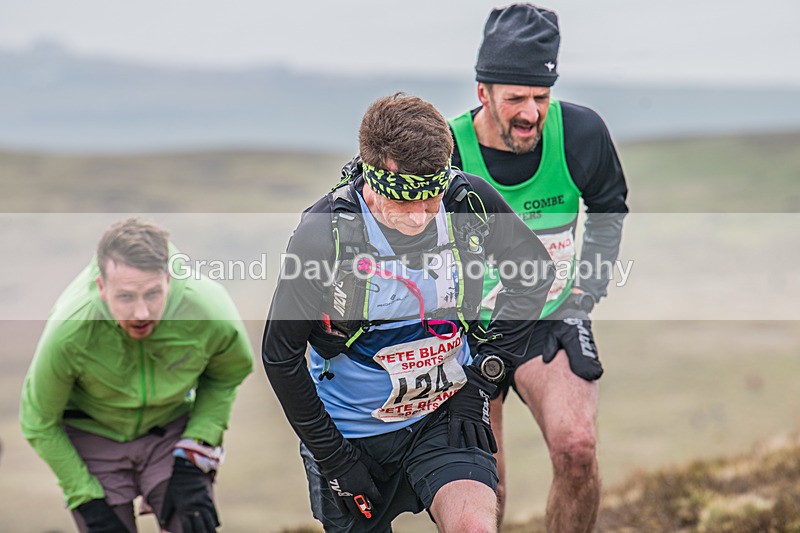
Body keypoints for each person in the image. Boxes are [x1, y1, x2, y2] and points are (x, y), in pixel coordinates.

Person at [262, 93, 555, 532]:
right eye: (404, 201)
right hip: (352, 436)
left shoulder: (466, 202)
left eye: (430, 198)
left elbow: (534, 273)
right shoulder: (323, 234)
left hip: (445, 415)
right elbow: (280, 356)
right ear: (372, 180)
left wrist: (483, 380)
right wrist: (335, 459)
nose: (419, 217)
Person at [449, 4, 629, 531]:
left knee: (577, 450)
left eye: (541, 97)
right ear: (483, 92)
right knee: (487, 484)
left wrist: (584, 295)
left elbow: (609, 206)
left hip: (549, 318)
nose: (531, 113)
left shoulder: (579, 134)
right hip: (469, 330)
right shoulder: (448, 149)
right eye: (516, 99)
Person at [20, 217, 254, 533]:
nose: (141, 313)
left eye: (153, 294)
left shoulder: (208, 309)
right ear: (102, 287)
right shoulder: (69, 329)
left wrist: (194, 452)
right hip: (92, 436)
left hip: (169, 431)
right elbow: (39, 420)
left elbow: (228, 373)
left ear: (169, 279)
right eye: (126, 297)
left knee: (193, 525)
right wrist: (86, 499)